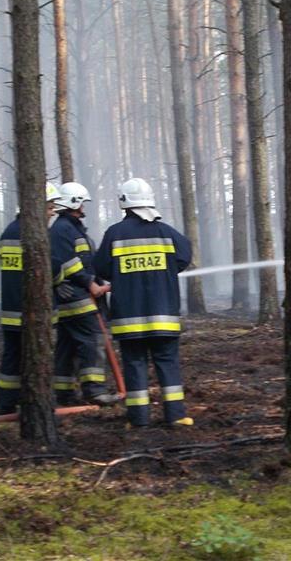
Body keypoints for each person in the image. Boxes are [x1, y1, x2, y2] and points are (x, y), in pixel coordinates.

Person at [93, 178, 194, 427]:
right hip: (164, 316)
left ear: (124, 203)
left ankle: (139, 420)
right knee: (167, 363)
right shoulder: (166, 232)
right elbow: (184, 258)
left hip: (128, 318)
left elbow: (101, 267)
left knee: (134, 365)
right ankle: (176, 416)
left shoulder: (114, 234)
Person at [50, 182, 119, 407]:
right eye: (82, 203)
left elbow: (88, 261)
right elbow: (69, 263)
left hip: (74, 296)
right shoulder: (63, 229)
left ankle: (64, 393)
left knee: (68, 345)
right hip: (78, 297)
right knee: (93, 340)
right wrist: (90, 284)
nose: (83, 207)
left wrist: (99, 280)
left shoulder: (71, 228)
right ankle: (95, 390)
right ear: (74, 203)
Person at [0, 181, 61, 414]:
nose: (53, 212)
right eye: (50, 207)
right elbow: (51, 269)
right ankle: (37, 404)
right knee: (38, 358)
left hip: (10, 310)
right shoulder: (36, 235)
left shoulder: (8, 233)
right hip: (33, 311)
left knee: (12, 357)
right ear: (37, 205)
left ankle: (7, 403)